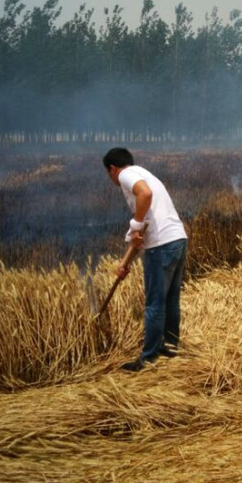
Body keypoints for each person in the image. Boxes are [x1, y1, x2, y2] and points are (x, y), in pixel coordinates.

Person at [102, 147, 189, 372]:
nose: (112, 179)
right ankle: (170, 346)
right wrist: (125, 262)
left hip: (161, 246)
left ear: (112, 169)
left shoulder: (126, 175)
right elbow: (140, 235)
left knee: (154, 303)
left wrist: (137, 224)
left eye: (109, 174)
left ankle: (148, 358)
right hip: (178, 239)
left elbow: (145, 195)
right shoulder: (144, 173)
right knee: (170, 299)